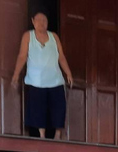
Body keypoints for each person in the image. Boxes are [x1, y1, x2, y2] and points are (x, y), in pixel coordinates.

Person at [11, 11, 73, 140]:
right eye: (38, 20)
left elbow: (61, 57)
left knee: (58, 107)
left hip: (55, 79)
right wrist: (16, 74)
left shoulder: (54, 37)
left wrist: (68, 73)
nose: (42, 23)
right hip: (36, 80)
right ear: (33, 21)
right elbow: (22, 56)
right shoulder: (28, 36)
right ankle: (42, 135)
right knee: (38, 108)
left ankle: (57, 134)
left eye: (44, 20)